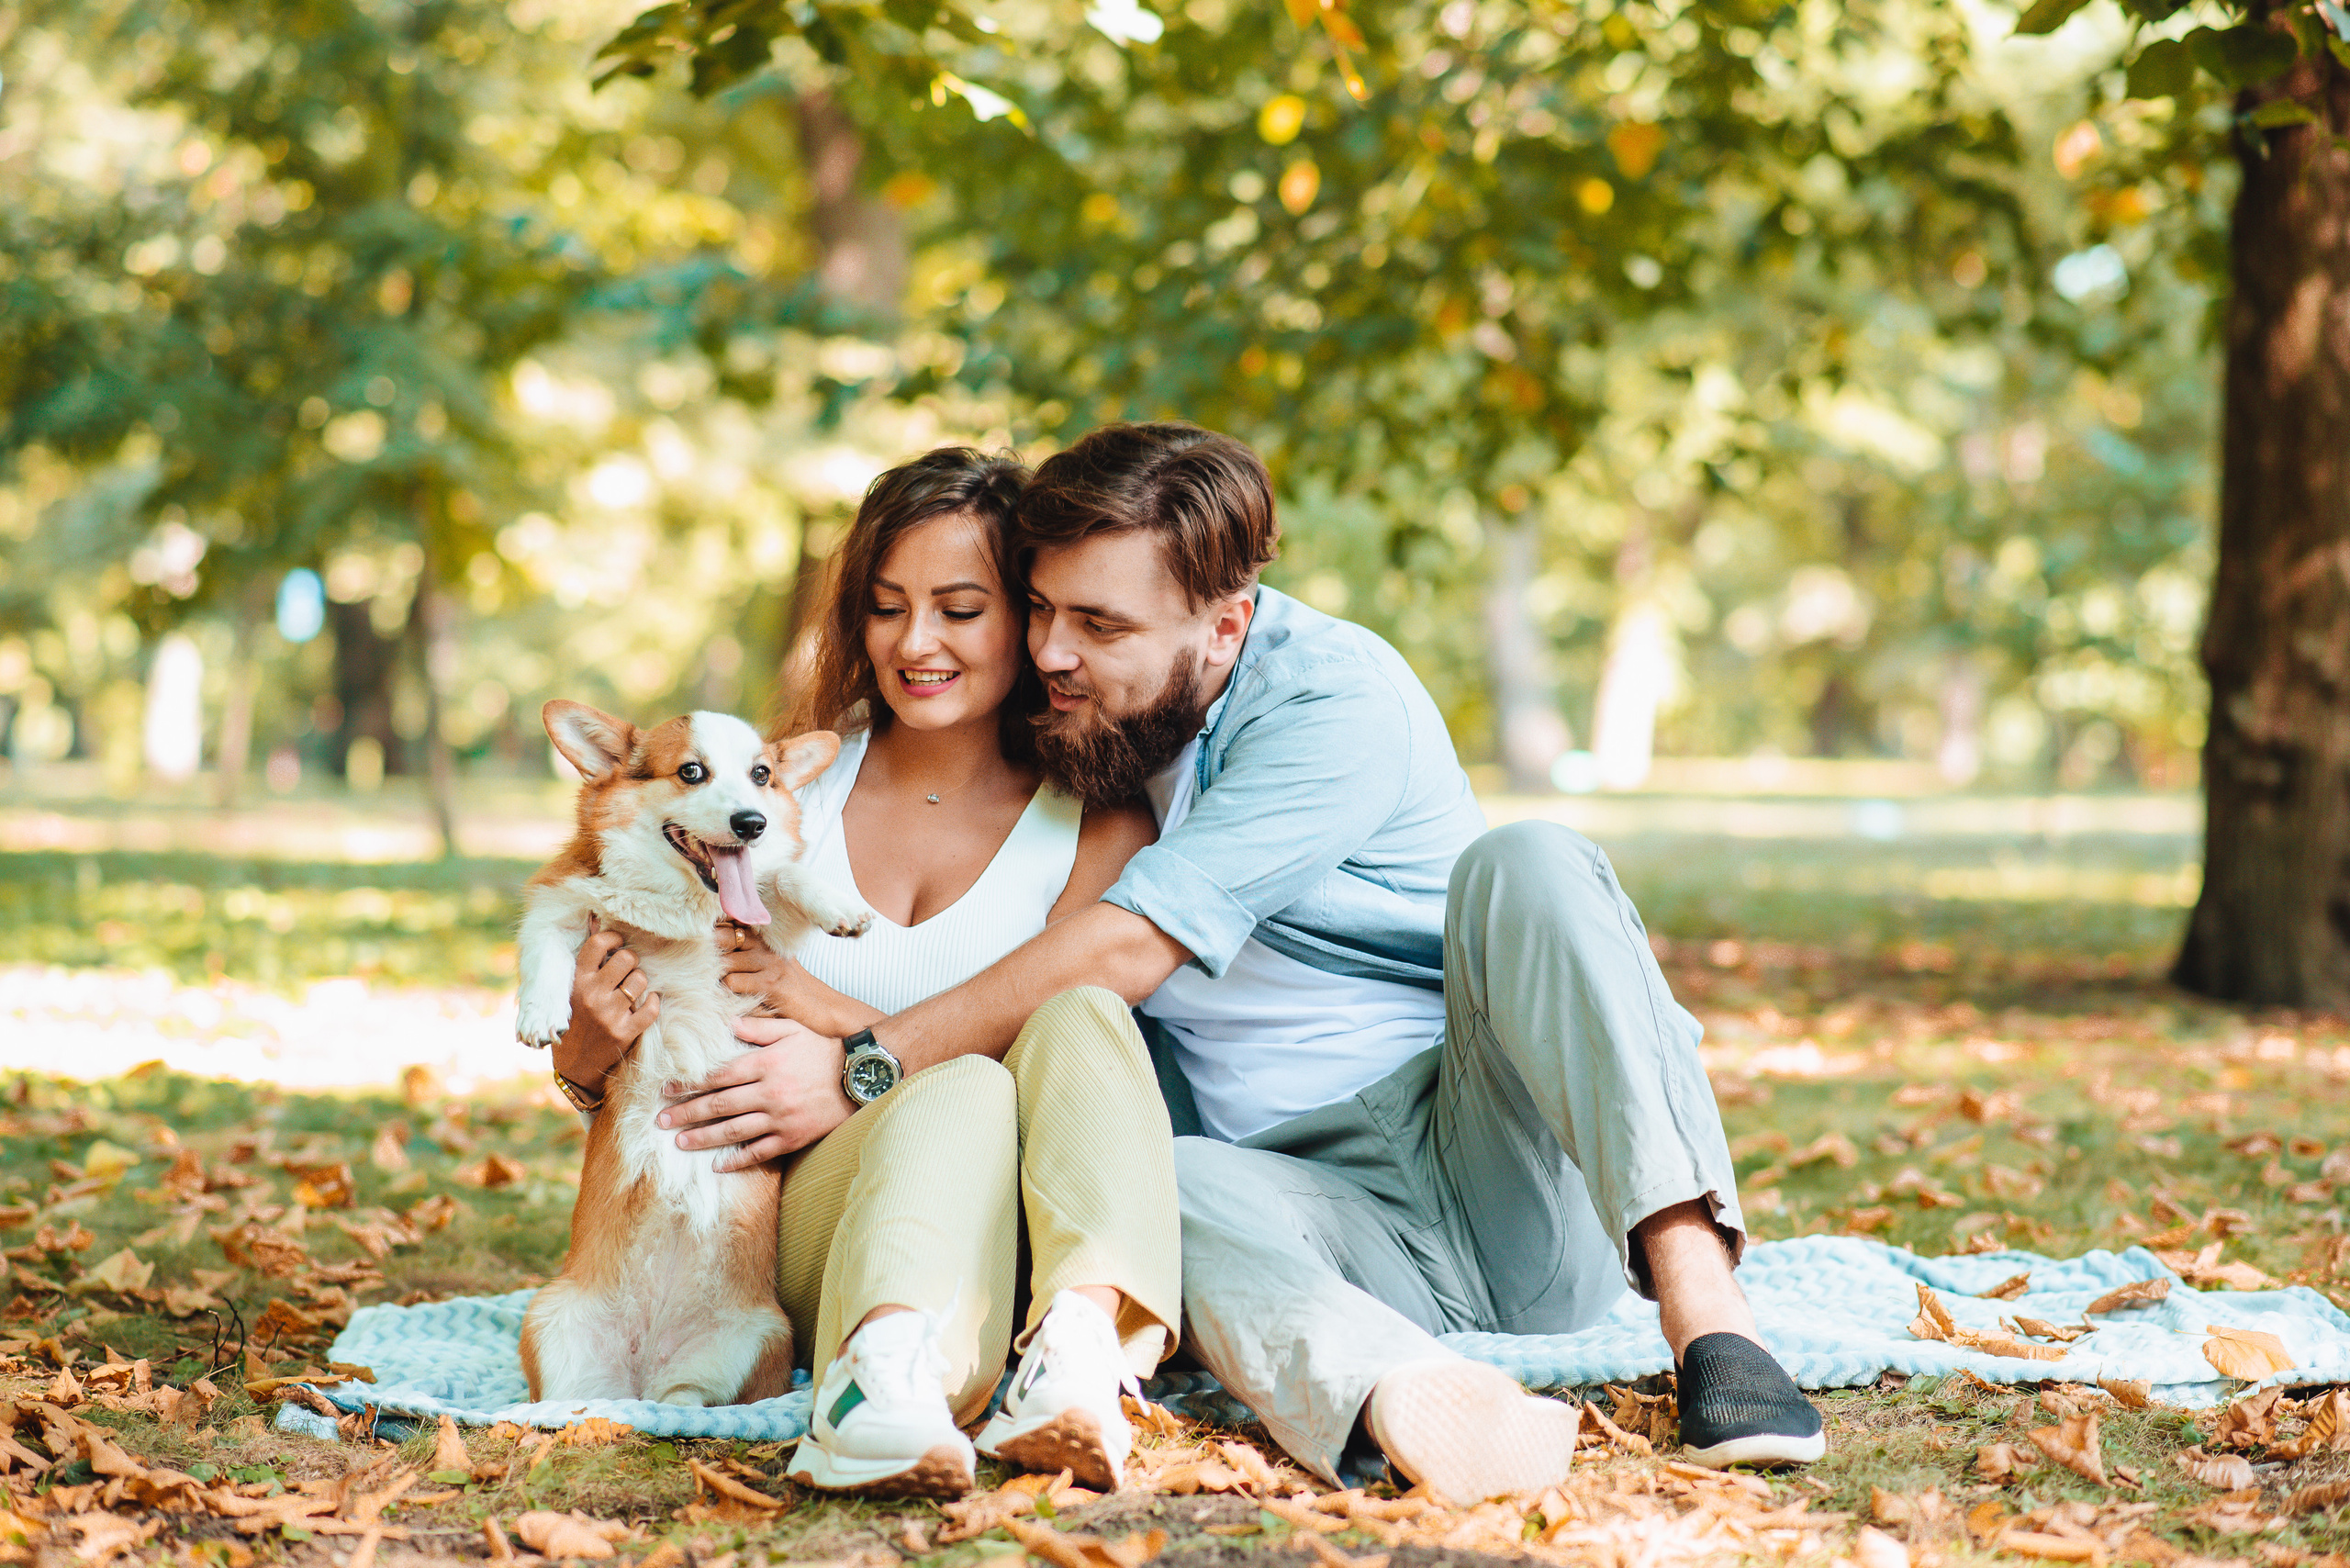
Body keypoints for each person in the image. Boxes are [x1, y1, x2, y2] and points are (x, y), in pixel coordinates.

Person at [643, 421, 1824, 1500]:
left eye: (1099, 628)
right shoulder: (1074, 724)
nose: (1053, 653)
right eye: (1043, 610)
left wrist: (860, 1064)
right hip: (1291, 1211)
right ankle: (1399, 1396)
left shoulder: (1329, 699)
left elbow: (1127, 948)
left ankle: (1712, 1323)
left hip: (1483, 1152)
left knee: (1535, 862)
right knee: (1149, 1187)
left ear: (1225, 622)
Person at [550, 447, 1181, 1498]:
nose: (915, 642)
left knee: (1068, 1021)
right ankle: (871, 1379)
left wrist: (846, 1045)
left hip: (1003, 1239)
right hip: (791, 1220)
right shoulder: (773, 787)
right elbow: (631, 1046)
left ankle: (1067, 1361)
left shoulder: (1100, 822)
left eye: (960, 608)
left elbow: (1059, 1083)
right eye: (886, 607)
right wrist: (586, 1045)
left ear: (1027, 618)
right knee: (975, 1072)